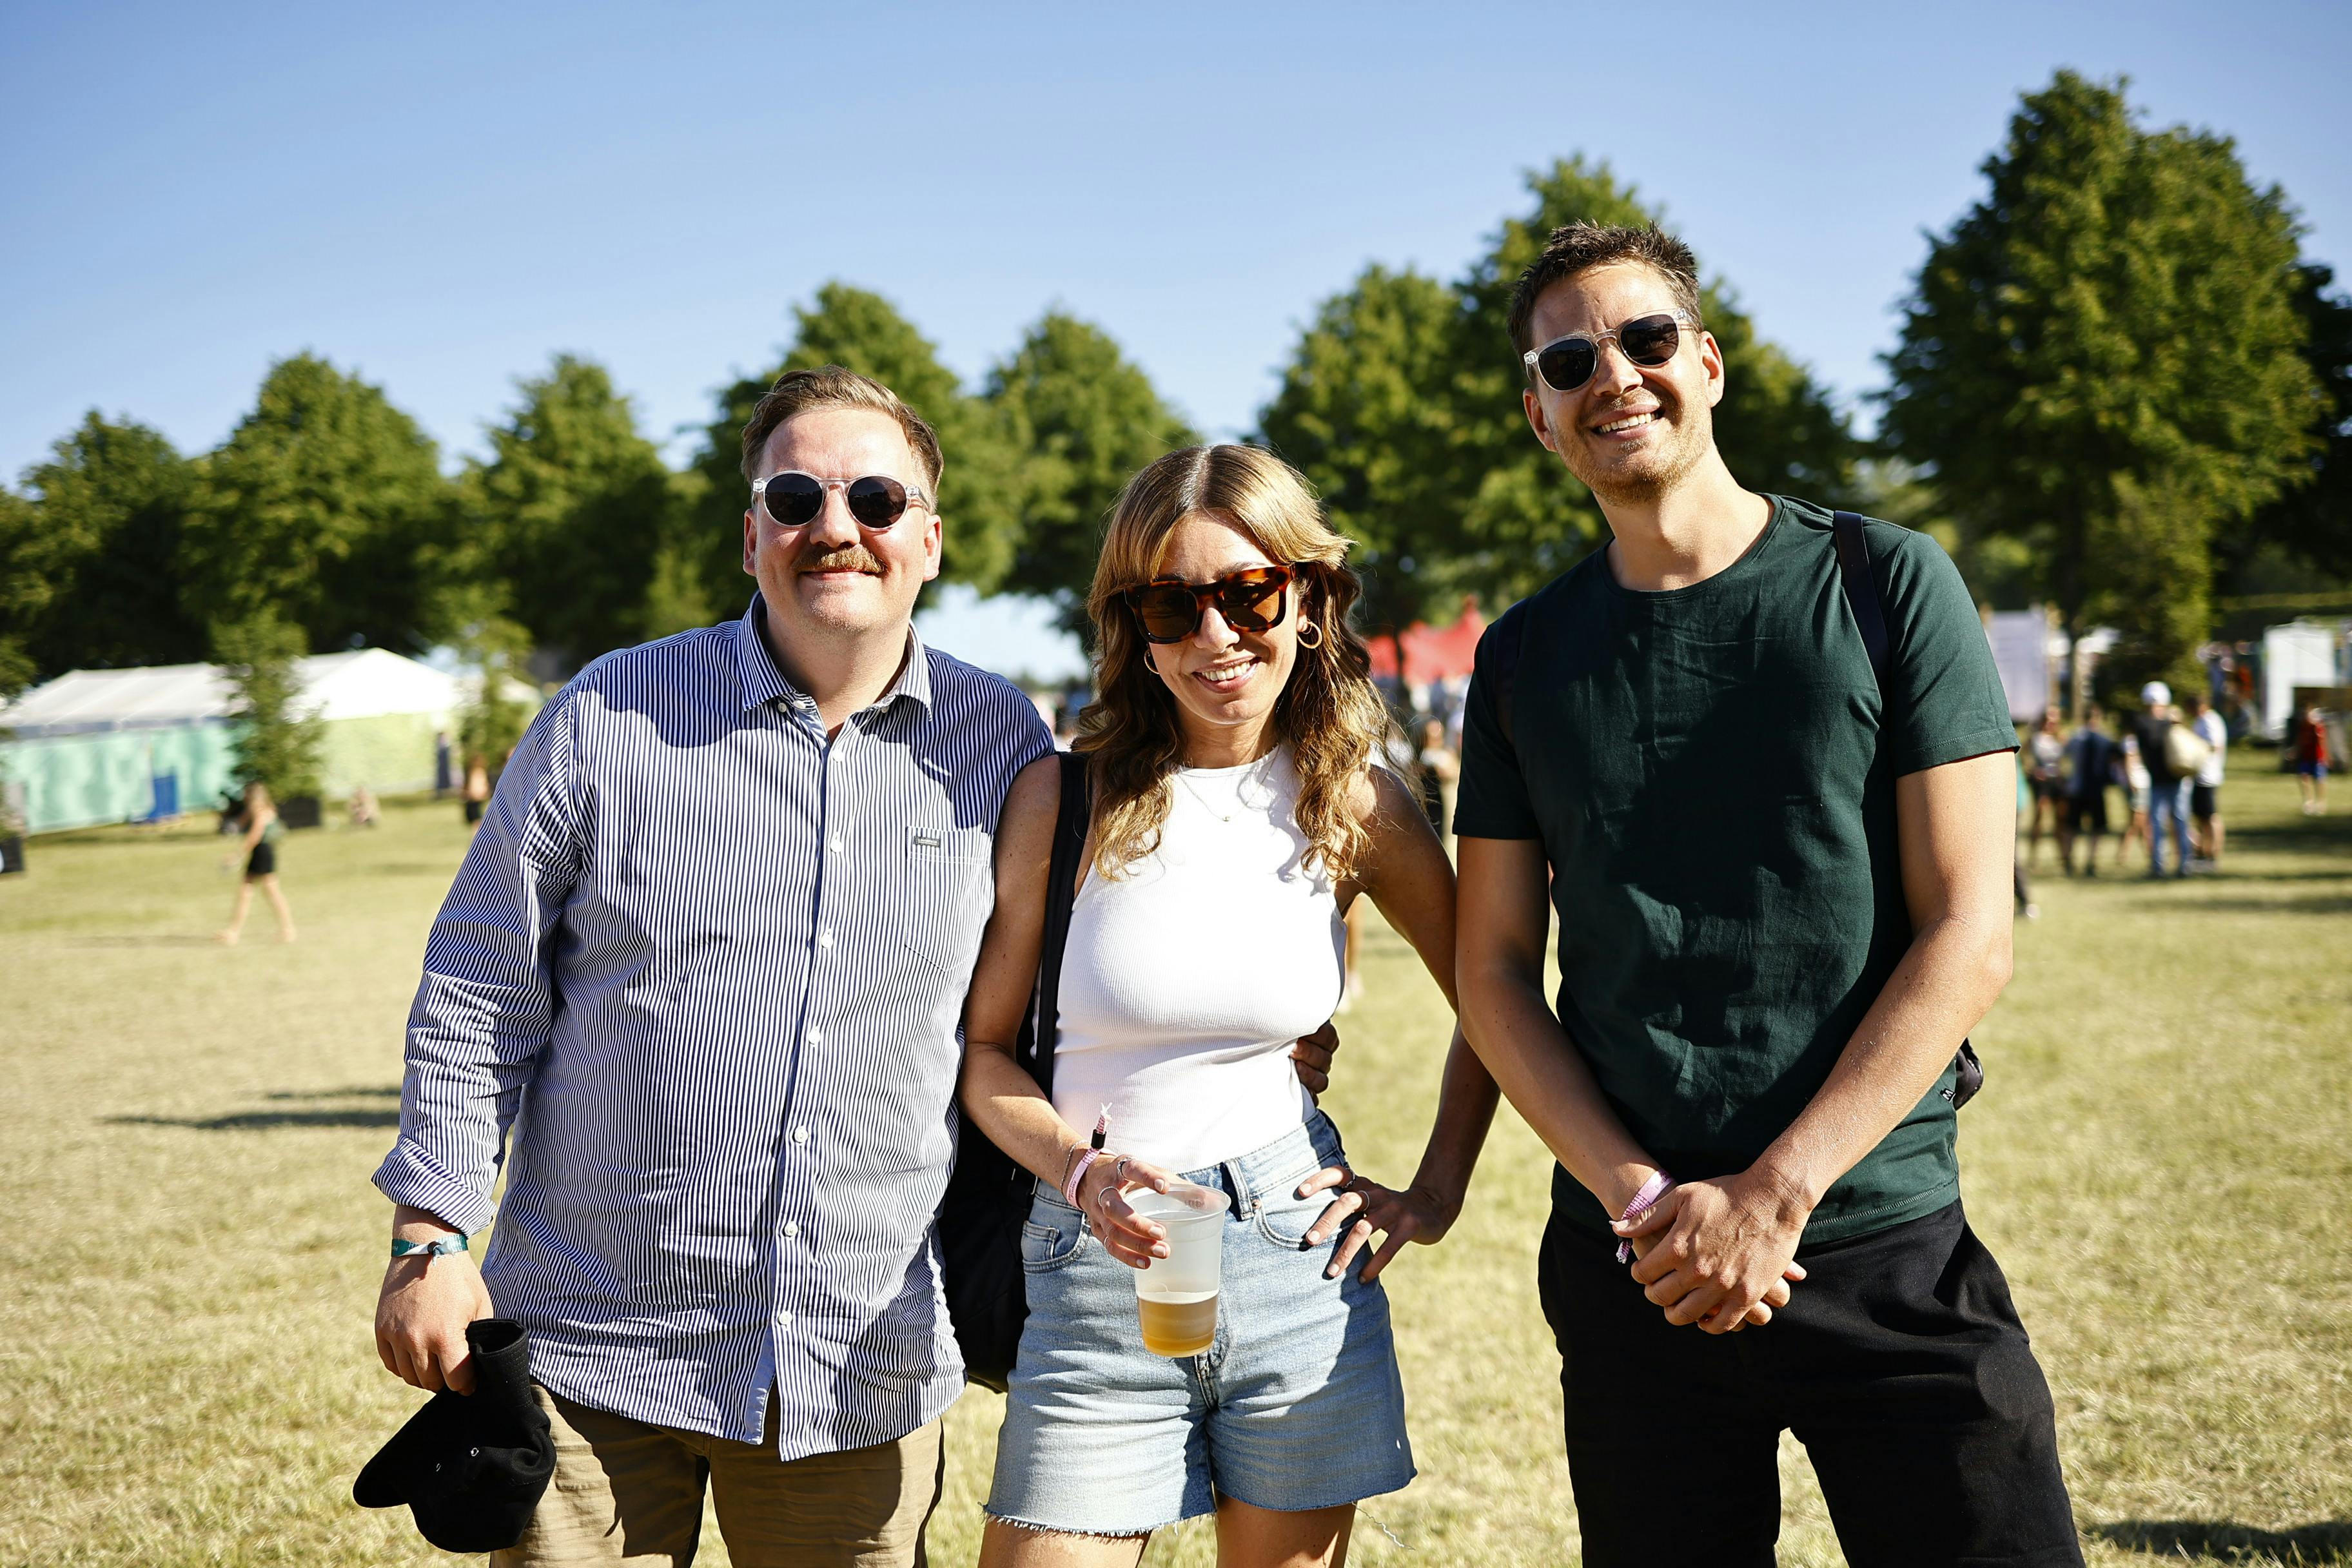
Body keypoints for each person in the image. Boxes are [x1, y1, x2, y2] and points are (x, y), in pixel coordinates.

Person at [370, 369, 1340, 1568]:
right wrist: (429, 1234)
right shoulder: (607, 715)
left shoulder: (1007, 748)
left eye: (876, 498)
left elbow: (1085, 963)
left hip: (856, 1366)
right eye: (797, 495)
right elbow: (480, 985)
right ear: (751, 536)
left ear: (929, 539)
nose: (837, 526)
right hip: (590, 1351)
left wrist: (1258, 1038)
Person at [1452, 222, 2079, 1567]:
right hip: (1641, 1270)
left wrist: (1775, 1195)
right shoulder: (1520, 659)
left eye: (1645, 338)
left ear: (1710, 362)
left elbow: (1972, 930)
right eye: (1571, 359)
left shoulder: (1886, 581)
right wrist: (1648, 1207)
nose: (1613, 373)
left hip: (1879, 1238)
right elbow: (1493, 969)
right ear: (1540, 415)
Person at [958, 444, 1499, 1566]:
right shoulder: (1059, 797)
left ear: (1305, 598)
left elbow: (1492, 1001)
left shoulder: (1354, 799)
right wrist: (1078, 1168)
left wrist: (1435, 1190)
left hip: (1294, 1255)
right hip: (1095, 1256)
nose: (1214, 634)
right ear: (1132, 626)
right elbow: (987, 1054)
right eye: (1171, 602)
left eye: (1247, 591)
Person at [217, 780, 296, 945]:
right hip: (264, 852)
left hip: (262, 852)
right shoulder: (264, 807)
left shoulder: (259, 810)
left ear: (250, 795)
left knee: (266, 891)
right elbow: (241, 822)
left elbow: (255, 836)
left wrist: (237, 856)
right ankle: (234, 931)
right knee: (250, 892)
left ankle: (287, 929)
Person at [2132, 681, 2191, 877]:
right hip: (2160, 781)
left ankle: (2184, 863)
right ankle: (2160, 865)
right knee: (2159, 823)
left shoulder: (2168, 723)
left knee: (2178, 821)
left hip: (2174, 780)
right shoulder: (2148, 724)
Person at [2060, 703, 2116, 876]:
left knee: (2072, 827)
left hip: (2077, 788)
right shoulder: (2105, 739)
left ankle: (2069, 861)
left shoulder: (2075, 738)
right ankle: (2090, 862)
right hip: (2094, 789)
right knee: (2095, 828)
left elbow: (2063, 759)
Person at [2186, 691, 2227, 866]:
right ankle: (2202, 851)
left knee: (2210, 816)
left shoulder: (2211, 721)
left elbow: (2215, 746)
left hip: (2207, 775)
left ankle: (2213, 854)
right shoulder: (2201, 721)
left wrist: (2196, 753)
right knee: (2201, 817)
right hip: (2199, 776)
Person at [2024, 710, 2066, 868]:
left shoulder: (2060, 739)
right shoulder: (2035, 739)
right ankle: (2033, 857)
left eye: (2054, 721)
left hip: (2057, 781)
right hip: (2042, 782)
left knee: (2060, 820)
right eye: (2048, 720)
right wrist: (2033, 771)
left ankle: (2063, 857)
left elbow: (2066, 761)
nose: (2051, 724)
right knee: (2040, 818)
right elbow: (2024, 759)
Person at [2116, 720, 2151, 870]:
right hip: (2137, 785)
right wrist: (2132, 782)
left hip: (2144, 784)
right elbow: (2128, 762)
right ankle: (2122, 854)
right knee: (2137, 822)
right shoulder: (2131, 741)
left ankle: (2150, 853)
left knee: (2143, 822)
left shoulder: (2140, 738)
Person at [2295, 704, 2332, 815]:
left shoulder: (2317, 727)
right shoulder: (2303, 727)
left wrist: (2326, 758)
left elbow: (2323, 743)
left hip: (2318, 758)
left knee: (2319, 781)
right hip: (2306, 757)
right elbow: (2300, 742)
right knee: (2303, 778)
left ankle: (2321, 803)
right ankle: (2309, 802)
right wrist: (2296, 752)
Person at [460, 754, 489, 827]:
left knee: (477, 822)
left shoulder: (472, 772)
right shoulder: (478, 772)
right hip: (476, 798)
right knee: (477, 821)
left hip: (474, 798)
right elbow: (480, 785)